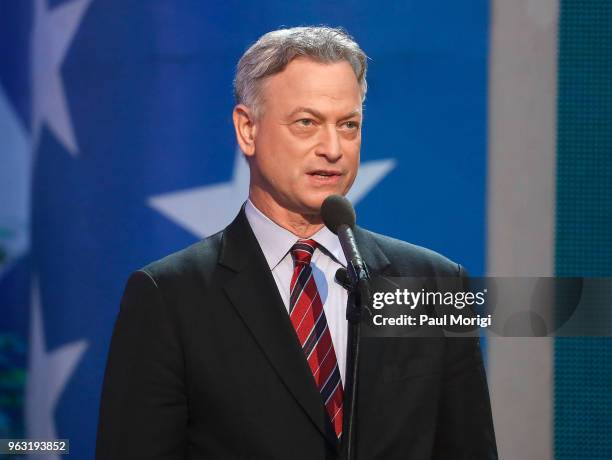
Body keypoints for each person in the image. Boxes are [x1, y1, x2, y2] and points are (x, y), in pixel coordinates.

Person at [96, 26, 497, 459]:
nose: (332, 148)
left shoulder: (433, 284)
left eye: (348, 125)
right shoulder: (169, 297)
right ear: (247, 129)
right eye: (307, 123)